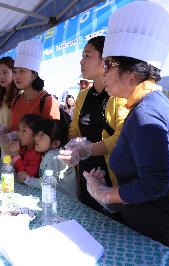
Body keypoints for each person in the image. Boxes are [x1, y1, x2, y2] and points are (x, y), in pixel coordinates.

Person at [82, 2, 169, 258]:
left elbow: (155, 183)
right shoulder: (147, 104)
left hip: (164, 232)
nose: (104, 74)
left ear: (132, 75)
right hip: (158, 224)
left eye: (108, 66)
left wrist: (106, 194)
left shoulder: (146, 113)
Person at [59, 36, 128, 213]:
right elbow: (74, 129)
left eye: (87, 55)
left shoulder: (118, 96)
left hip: (112, 181)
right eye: (82, 56)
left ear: (106, 60)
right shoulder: (82, 95)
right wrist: (75, 145)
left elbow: (122, 138)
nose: (81, 61)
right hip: (85, 174)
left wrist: (87, 149)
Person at [10, 40, 60, 131]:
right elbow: (14, 128)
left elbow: (50, 137)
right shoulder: (16, 100)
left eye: (22, 71)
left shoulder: (47, 101)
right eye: (15, 71)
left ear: (34, 75)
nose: (17, 76)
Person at [28, 119, 77, 199]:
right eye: (37, 134)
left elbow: (47, 183)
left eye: (42, 135)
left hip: (64, 203)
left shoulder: (52, 156)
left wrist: (28, 179)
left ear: (55, 144)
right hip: (62, 200)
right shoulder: (55, 154)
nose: (36, 138)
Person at [0, 56, 18, 155]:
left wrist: (7, 129)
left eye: (5, 72)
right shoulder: (0, 96)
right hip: (4, 150)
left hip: (17, 153)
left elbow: (25, 127)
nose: (1, 76)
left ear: (14, 72)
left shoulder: (20, 96)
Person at [8, 114, 42, 183]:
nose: (19, 134)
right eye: (19, 130)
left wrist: (16, 156)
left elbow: (24, 176)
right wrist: (13, 154)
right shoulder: (23, 148)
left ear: (35, 135)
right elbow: (15, 169)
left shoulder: (36, 154)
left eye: (24, 130)